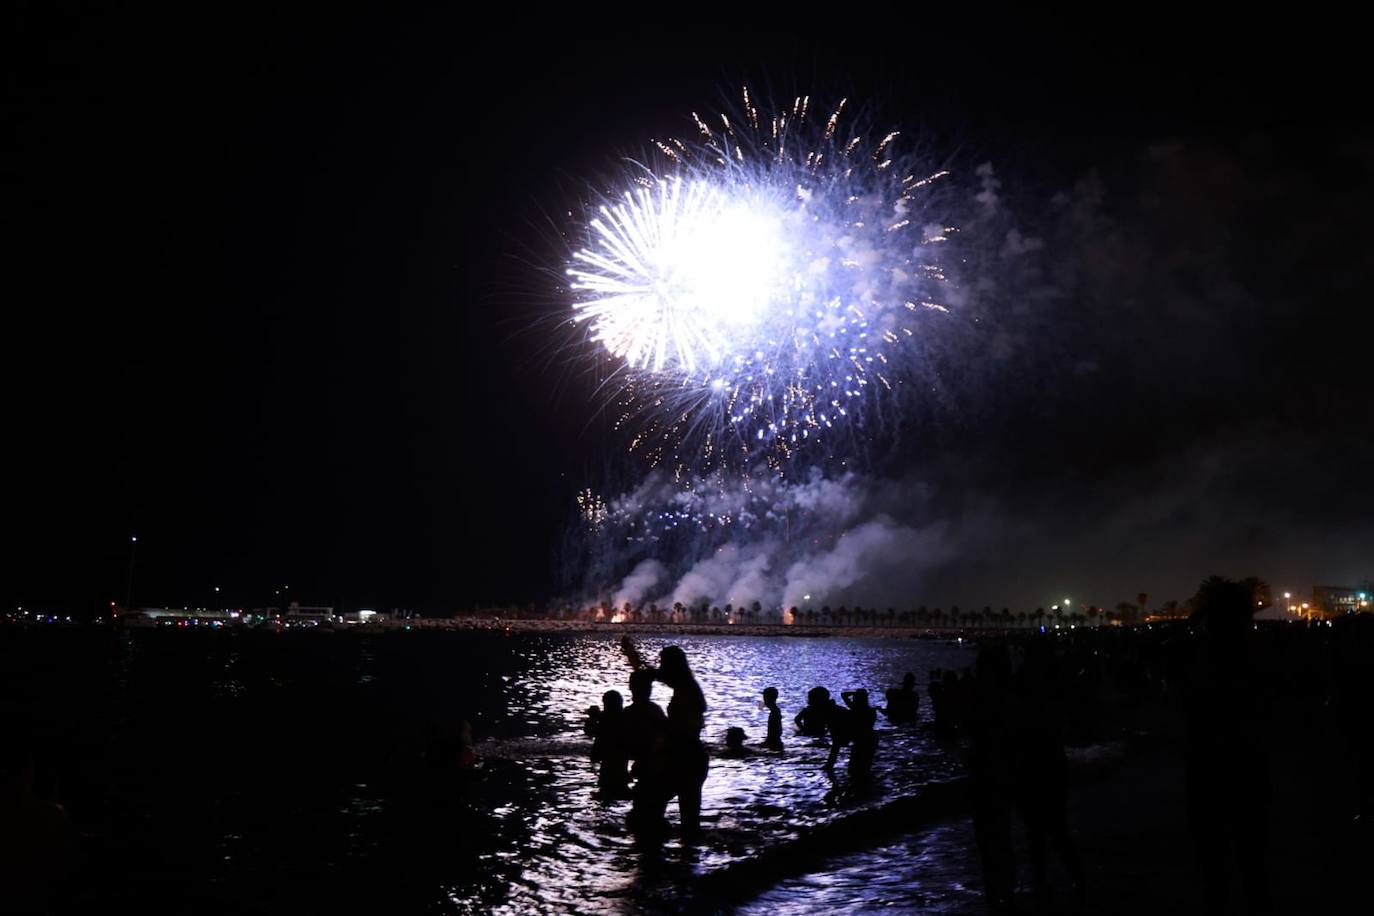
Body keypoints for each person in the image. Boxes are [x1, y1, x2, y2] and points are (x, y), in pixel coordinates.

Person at [654, 646, 709, 837]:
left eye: (663, 663)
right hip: (692, 756)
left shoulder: (685, 690)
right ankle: (690, 859)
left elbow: (681, 729)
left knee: (657, 801)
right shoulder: (686, 686)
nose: (660, 667)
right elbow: (658, 676)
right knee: (689, 819)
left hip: (685, 757)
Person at [623, 669, 669, 833]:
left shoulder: (630, 713)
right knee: (652, 814)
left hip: (650, 769)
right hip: (653, 769)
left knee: (645, 813)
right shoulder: (654, 711)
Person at [590, 690, 630, 797]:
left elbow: (596, 745)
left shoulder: (605, 721)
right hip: (621, 770)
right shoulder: (624, 719)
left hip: (608, 770)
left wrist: (594, 719)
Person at [841, 688, 879, 781]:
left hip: (861, 738)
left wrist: (854, 693)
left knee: (854, 766)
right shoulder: (871, 710)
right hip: (871, 737)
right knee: (866, 764)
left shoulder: (854, 708)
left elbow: (843, 695)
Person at [761, 686, 784, 751]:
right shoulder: (774, 711)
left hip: (774, 743)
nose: (764, 701)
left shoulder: (775, 712)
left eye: (765, 698)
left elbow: (778, 730)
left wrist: (770, 740)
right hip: (774, 742)